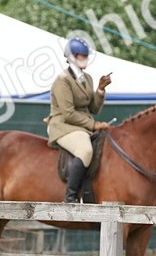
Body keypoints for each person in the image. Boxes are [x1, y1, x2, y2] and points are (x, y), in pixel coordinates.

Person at [47, 36, 112, 203]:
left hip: (81, 126)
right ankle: (70, 197)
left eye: (85, 56)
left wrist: (100, 90)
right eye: (81, 56)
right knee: (85, 150)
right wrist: (94, 124)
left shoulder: (87, 78)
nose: (85, 59)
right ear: (71, 57)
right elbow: (68, 113)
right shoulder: (62, 81)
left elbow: (93, 109)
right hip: (63, 125)